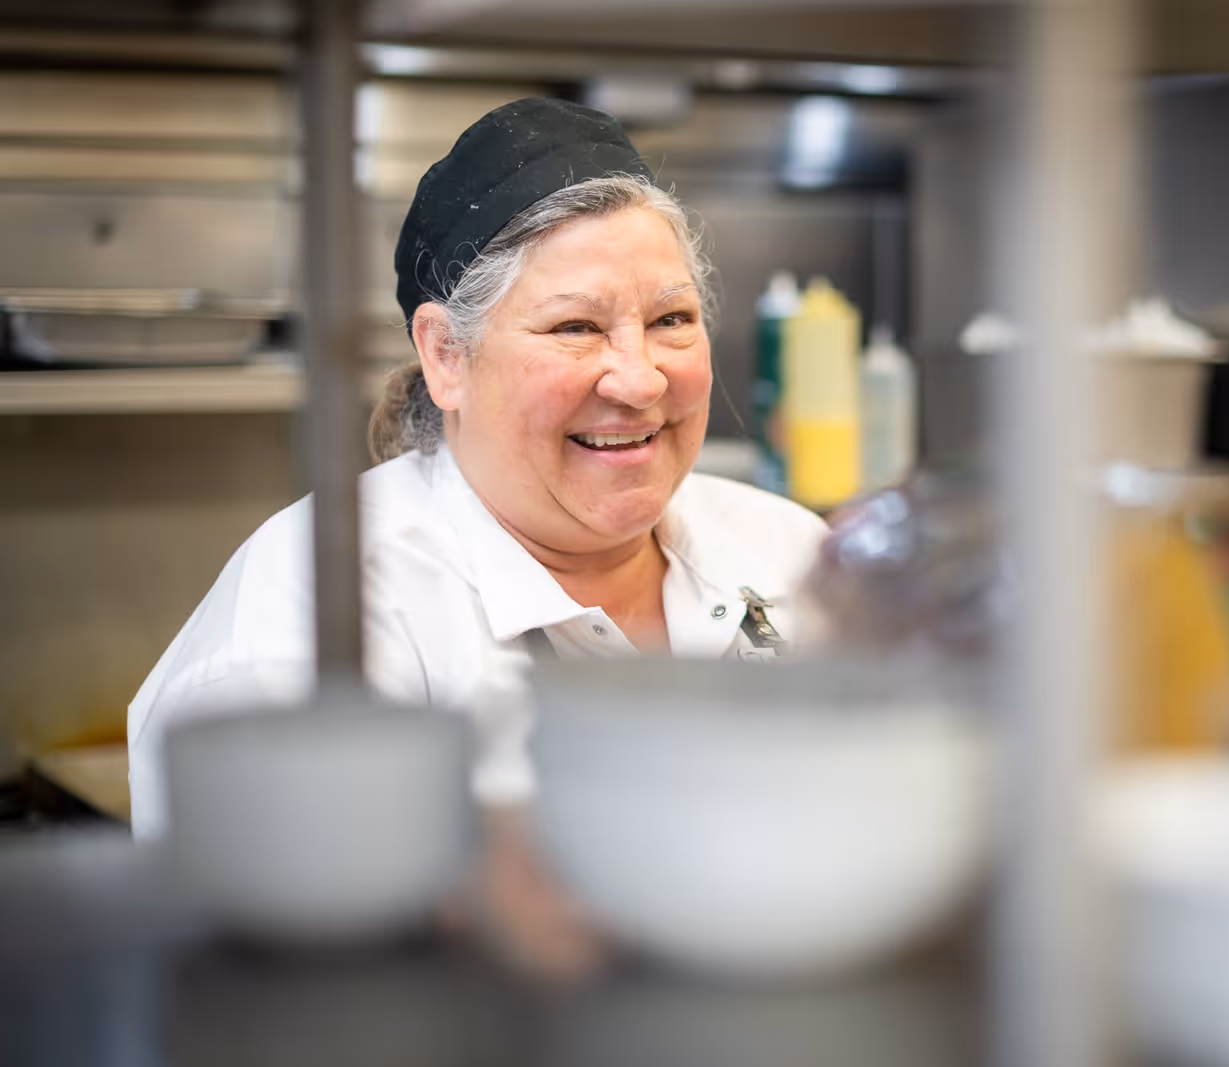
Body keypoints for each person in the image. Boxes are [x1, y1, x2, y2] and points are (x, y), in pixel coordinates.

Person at [126, 97, 828, 871]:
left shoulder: (794, 553)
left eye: (671, 319)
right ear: (446, 357)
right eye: (576, 327)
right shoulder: (318, 616)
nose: (637, 379)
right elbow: (284, 953)